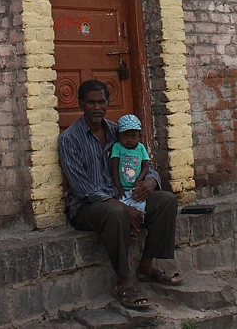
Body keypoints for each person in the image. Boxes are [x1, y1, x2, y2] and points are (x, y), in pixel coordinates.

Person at [57, 80, 183, 310]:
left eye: (101, 101)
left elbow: (146, 162)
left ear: (107, 103)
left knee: (166, 200)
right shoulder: (70, 139)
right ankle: (124, 281)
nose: (97, 107)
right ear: (80, 104)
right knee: (115, 212)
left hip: (125, 196)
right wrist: (123, 207)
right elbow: (81, 186)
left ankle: (146, 267)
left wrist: (150, 181)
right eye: (91, 102)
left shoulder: (120, 130)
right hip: (88, 206)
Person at [111, 114, 151, 213]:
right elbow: (114, 169)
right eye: (125, 136)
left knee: (139, 208)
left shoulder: (141, 147)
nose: (129, 139)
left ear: (139, 136)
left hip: (137, 189)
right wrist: (119, 188)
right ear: (119, 136)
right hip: (122, 189)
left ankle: (138, 225)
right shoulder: (117, 147)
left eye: (133, 136)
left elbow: (146, 166)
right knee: (123, 210)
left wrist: (138, 180)